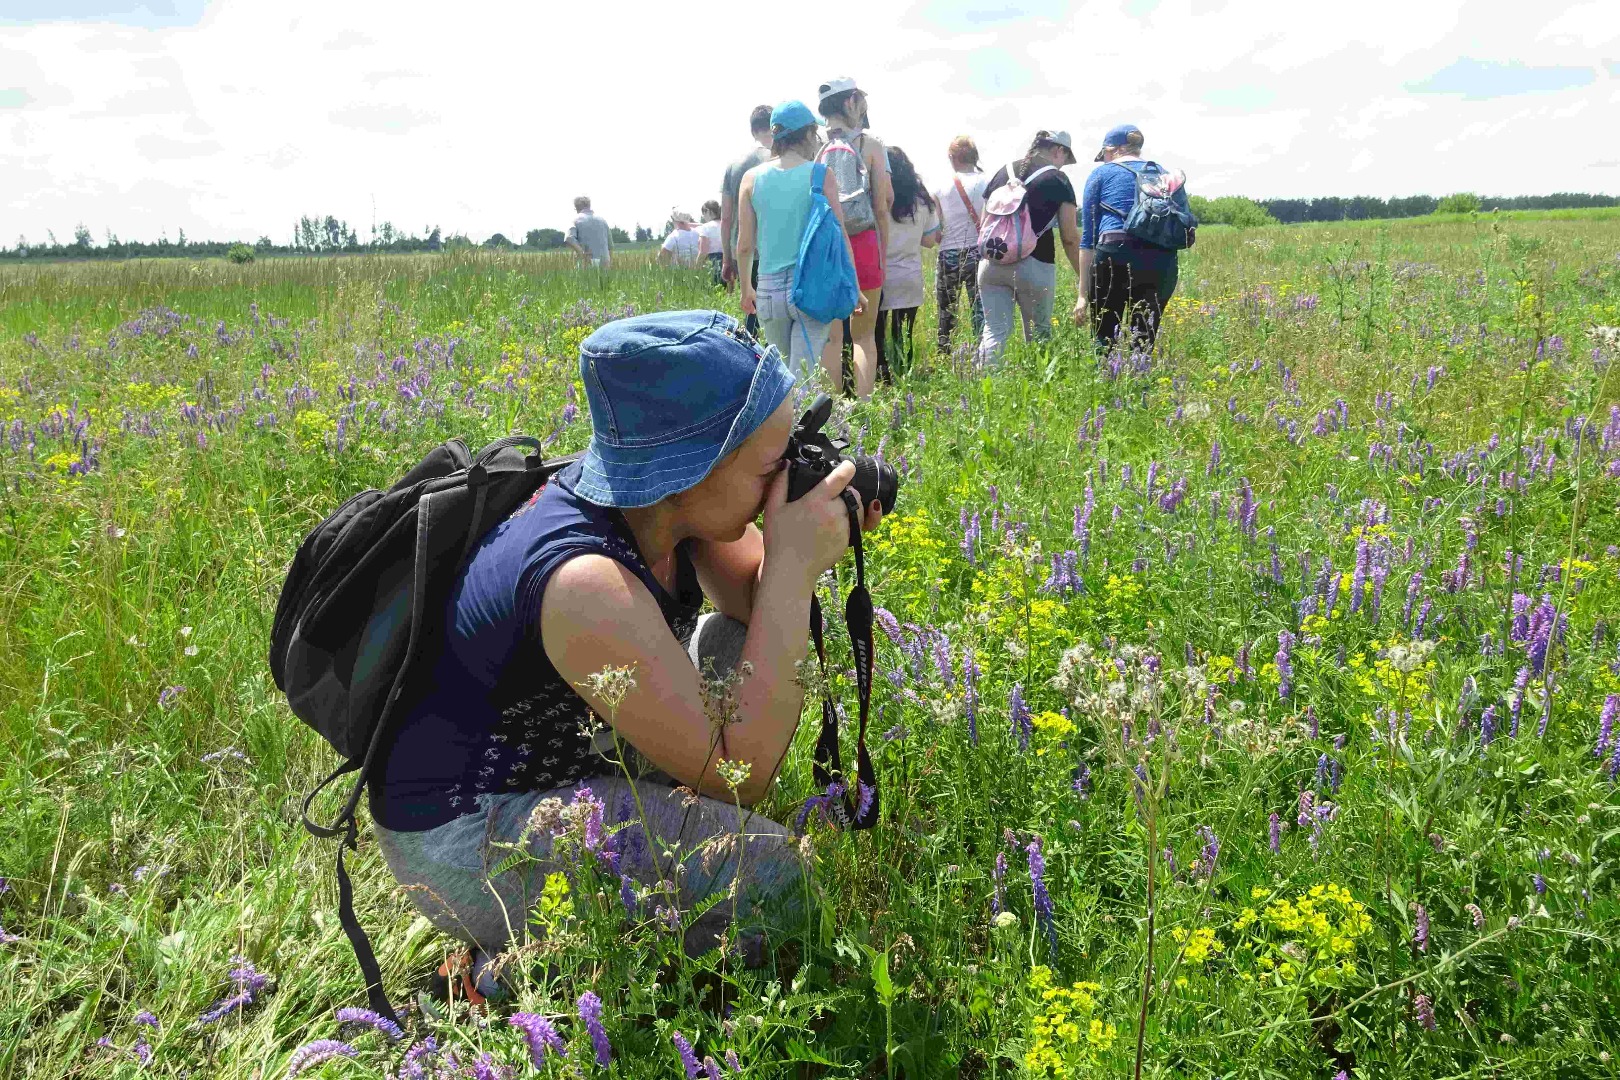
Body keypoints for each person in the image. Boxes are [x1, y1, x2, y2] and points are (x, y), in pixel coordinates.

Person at [371, 309, 885, 998]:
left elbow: (754, 614)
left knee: (738, 643)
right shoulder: (582, 580)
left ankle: (620, 902)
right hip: (468, 833)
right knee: (775, 880)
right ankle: (512, 973)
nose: (780, 480)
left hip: (567, 760)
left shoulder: (662, 504)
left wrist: (804, 532)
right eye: (770, 465)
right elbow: (741, 774)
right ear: (691, 466)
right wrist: (793, 567)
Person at [736, 100, 860, 385]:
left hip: (767, 290)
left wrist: (746, 288)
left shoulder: (751, 178)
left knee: (782, 377)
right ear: (805, 135)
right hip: (811, 288)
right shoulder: (820, 175)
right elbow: (839, 237)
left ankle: (782, 428)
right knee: (803, 378)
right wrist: (854, 285)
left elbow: (744, 245)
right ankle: (801, 429)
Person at [1078, 124, 1192, 350]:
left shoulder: (1101, 173)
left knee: (1105, 337)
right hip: (1161, 259)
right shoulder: (1162, 172)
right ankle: (1140, 382)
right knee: (1143, 339)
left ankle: (1107, 381)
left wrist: (1082, 294)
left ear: (1111, 150)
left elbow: (1088, 238)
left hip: (1114, 254)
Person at [976, 129, 1083, 365]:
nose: (1063, 166)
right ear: (1058, 150)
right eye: (1065, 159)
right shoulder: (1058, 179)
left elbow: (984, 223)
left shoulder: (1002, 172)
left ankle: (979, 389)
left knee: (994, 331)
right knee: (1039, 334)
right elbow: (1069, 237)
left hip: (991, 264)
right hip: (1035, 265)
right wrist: (1082, 277)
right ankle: (1037, 387)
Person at [815, 77, 891, 400]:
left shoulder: (815, 148)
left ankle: (829, 416)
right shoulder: (871, 146)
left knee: (832, 338)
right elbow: (882, 206)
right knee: (863, 337)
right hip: (863, 244)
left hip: (830, 247)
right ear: (850, 103)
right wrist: (882, 256)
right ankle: (864, 407)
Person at [874, 146, 939, 383]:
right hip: (909, 276)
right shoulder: (922, 200)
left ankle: (882, 379)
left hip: (879, 276)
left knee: (876, 335)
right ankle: (905, 375)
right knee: (904, 333)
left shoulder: (876, 198)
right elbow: (930, 241)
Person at [721, 105, 775, 335]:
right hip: (775, 246)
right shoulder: (780, 158)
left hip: (744, 248)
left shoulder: (735, 165)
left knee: (752, 309)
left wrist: (726, 257)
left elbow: (726, 218)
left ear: (752, 130)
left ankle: (750, 355)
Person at [931, 135, 987, 353]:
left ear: (952, 158)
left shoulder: (939, 185)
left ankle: (944, 354)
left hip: (948, 253)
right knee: (980, 310)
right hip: (979, 252)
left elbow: (936, 231)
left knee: (946, 312)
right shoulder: (987, 182)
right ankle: (982, 355)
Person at [565, 196, 613, 268]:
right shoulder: (602, 221)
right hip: (604, 261)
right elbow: (610, 246)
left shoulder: (576, 220)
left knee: (584, 279)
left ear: (576, 208)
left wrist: (581, 253)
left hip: (586, 261)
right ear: (589, 206)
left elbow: (569, 238)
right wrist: (609, 262)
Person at [696, 200, 724, 284]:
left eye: (703, 213)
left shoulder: (706, 227)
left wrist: (696, 267)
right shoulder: (726, 224)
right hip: (730, 259)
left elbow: (703, 251)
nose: (704, 217)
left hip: (714, 261)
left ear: (708, 211)